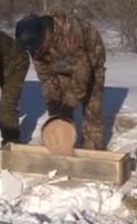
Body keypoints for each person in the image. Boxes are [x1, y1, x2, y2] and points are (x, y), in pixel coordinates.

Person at [15, 12, 106, 150]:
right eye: (32, 51)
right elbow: (46, 77)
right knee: (59, 105)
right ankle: (64, 142)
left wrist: (69, 104)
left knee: (91, 105)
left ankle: (93, 149)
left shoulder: (69, 31)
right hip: (61, 63)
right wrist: (52, 102)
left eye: (37, 50)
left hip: (90, 61)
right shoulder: (35, 47)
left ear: (45, 35)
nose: (35, 54)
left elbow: (82, 72)